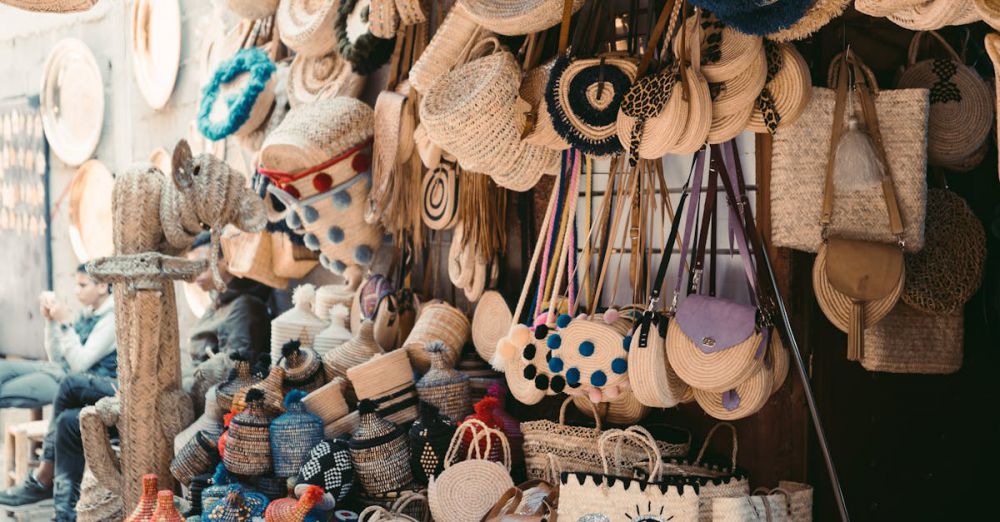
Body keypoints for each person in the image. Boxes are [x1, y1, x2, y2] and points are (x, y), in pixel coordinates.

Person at [0, 264, 116, 409]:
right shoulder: (88, 313)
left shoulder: (111, 319)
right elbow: (56, 359)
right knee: (2, 368)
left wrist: (66, 324)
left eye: (82, 285)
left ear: (102, 287)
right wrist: (51, 322)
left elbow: (79, 366)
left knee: (4, 393)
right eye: (76, 285)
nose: (76, 291)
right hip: (58, 371)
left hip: (76, 384)